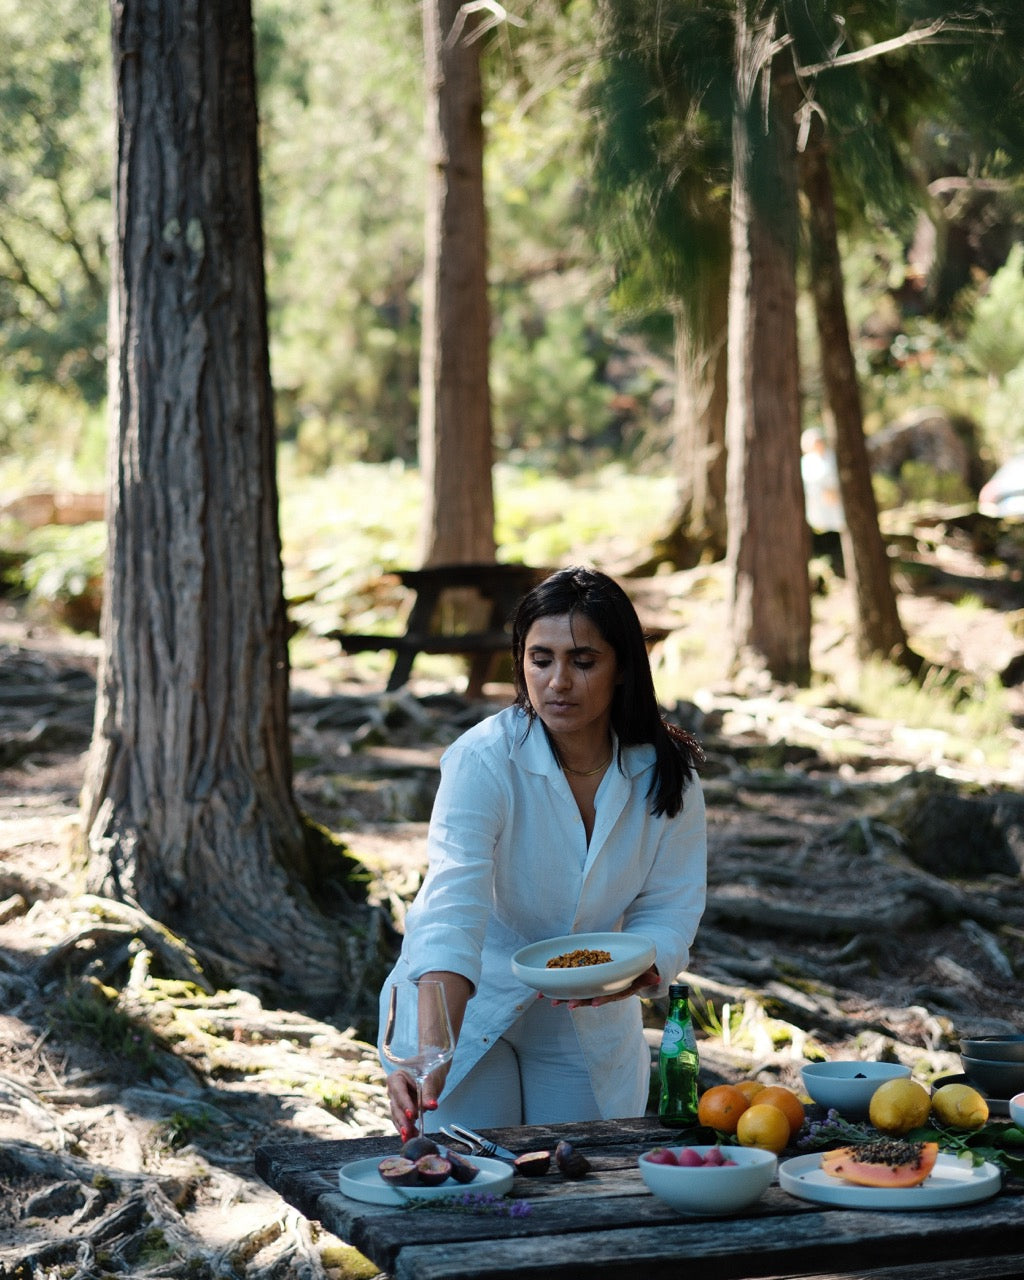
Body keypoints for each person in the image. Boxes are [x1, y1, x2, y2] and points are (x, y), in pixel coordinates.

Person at [377, 566, 707, 1139]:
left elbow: (672, 903)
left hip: (585, 1011)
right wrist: (431, 1049)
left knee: (577, 1179)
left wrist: (647, 963)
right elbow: (453, 907)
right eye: (541, 659)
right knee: (472, 1178)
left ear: (622, 666)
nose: (558, 681)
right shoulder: (482, 760)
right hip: (465, 998)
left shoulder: (666, 773)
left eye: (583, 661)